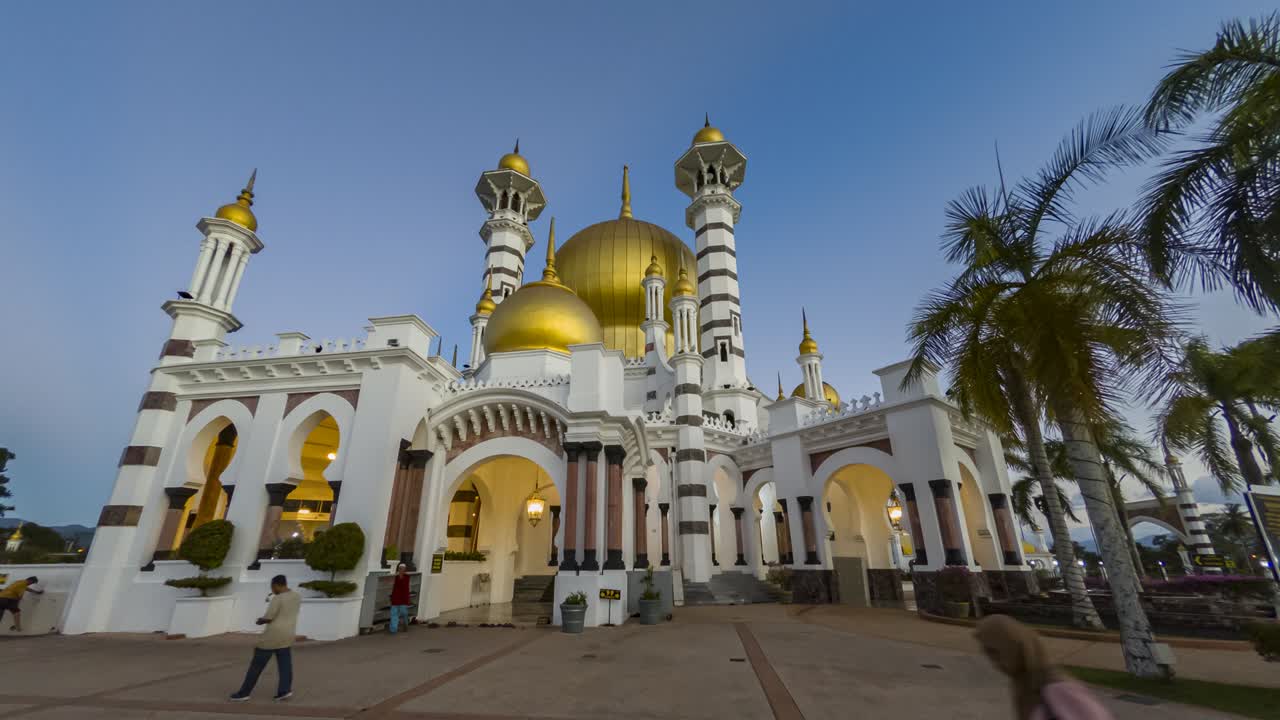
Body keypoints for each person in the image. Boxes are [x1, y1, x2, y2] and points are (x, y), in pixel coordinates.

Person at [975, 615, 1113, 720]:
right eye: (989, 655)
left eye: (997, 653)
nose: (995, 664)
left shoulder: (1057, 689)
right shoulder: (1024, 685)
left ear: (1014, 647)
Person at [230, 574, 300, 702]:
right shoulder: (296, 596)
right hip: (288, 634)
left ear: (276, 585)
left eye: (272, 587)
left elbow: (269, 617)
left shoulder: (278, 598)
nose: (272, 590)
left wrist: (259, 621)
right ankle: (284, 690)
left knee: (256, 665)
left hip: (273, 635)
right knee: (285, 665)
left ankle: (244, 693)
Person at [389, 563, 412, 634]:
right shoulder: (395, 577)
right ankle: (393, 629)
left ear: (405, 570)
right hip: (395, 599)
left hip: (403, 599)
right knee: (394, 614)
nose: (401, 570)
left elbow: (405, 588)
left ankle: (405, 623)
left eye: (403, 569)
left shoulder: (407, 577)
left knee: (404, 613)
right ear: (398, 569)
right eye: (400, 568)